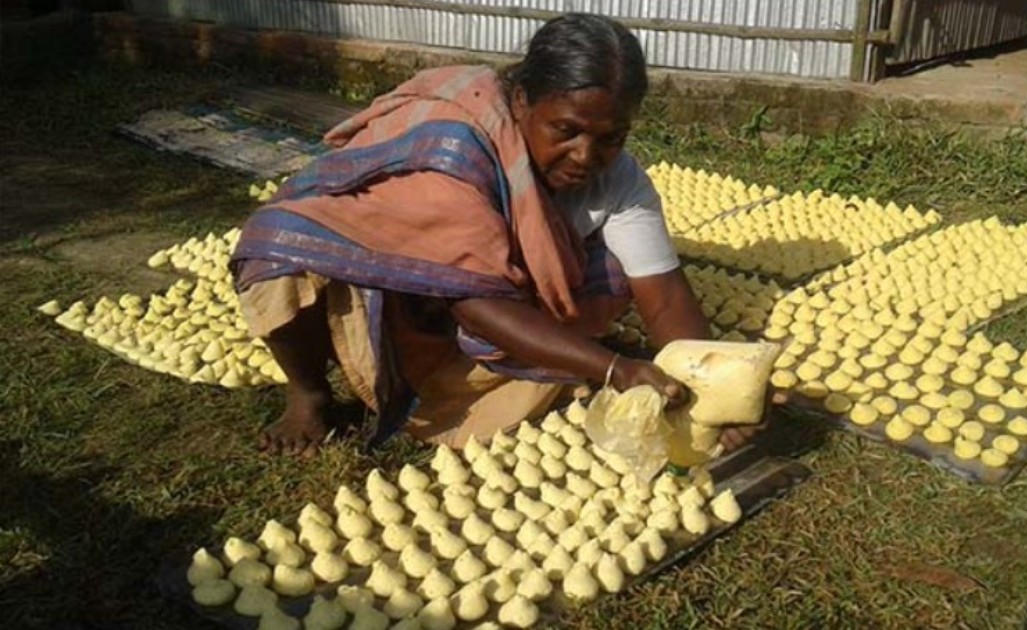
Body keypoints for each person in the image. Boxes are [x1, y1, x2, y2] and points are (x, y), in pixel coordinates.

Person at [231, 14, 716, 457]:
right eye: (566, 130)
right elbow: (474, 302)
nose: (585, 155)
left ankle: (476, 381)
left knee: (610, 271)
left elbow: (665, 295)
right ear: (522, 100)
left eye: (610, 138)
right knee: (280, 251)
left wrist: (711, 394)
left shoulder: (620, 180)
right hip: (387, 280)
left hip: (488, 303)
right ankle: (310, 393)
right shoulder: (461, 149)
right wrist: (613, 368)